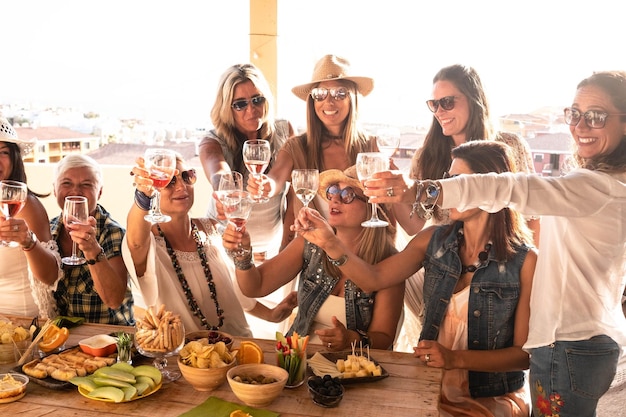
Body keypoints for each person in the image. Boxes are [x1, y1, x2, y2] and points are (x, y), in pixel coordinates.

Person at [366, 70, 626, 417]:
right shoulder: (607, 185)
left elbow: (512, 189)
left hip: (569, 346)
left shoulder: (599, 187)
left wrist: (424, 189)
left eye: (596, 116)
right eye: (574, 114)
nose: (580, 126)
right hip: (580, 344)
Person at [295, 141, 536, 416]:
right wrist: (330, 243)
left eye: (459, 181)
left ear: (491, 189)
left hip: (493, 397)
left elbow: (524, 355)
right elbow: (373, 279)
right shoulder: (432, 240)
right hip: (429, 384)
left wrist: (456, 359)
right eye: (448, 179)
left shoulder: (525, 262)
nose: (449, 189)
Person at [223, 166, 404, 351]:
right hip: (296, 361)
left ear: (374, 207)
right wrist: (243, 253)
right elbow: (255, 286)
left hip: (352, 370)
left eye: (347, 194)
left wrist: (352, 339)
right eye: (333, 191)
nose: (334, 198)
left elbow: (384, 337)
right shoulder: (311, 243)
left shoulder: (389, 262)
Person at [123, 152, 297, 336]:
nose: (182, 186)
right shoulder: (148, 243)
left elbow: (232, 288)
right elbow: (135, 244)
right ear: (155, 186)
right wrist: (143, 196)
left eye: (187, 176)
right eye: (170, 182)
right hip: (185, 356)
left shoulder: (211, 228)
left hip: (235, 348)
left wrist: (271, 314)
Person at [255, 54, 380, 229]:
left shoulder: (372, 147)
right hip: (311, 254)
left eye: (339, 93)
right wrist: (264, 185)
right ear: (312, 101)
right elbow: (275, 179)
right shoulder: (296, 147)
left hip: (363, 254)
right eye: (320, 94)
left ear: (352, 98)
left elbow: (388, 214)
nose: (328, 101)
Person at [198, 63, 294, 262]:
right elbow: (218, 172)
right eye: (240, 104)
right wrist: (224, 193)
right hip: (221, 249)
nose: (251, 110)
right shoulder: (212, 142)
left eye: (257, 100)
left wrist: (286, 249)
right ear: (226, 107)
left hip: (268, 252)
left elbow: (293, 196)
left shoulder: (284, 131)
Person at [49, 154, 133, 325]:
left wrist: (92, 249)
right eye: (66, 183)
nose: (76, 191)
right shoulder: (47, 231)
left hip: (108, 338)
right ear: (55, 189)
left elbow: (114, 300)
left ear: (99, 192)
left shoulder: (114, 232)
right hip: (62, 340)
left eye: (86, 185)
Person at [0, 117, 60, 319]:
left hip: (23, 325)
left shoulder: (26, 206)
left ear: (14, 158)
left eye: (3, 152)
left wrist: (28, 242)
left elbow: (51, 276)